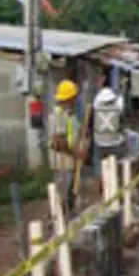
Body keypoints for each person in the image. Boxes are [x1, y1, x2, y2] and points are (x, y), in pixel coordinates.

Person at [49, 79, 86, 214]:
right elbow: (58, 143)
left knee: (71, 192)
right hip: (63, 161)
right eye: (74, 97)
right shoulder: (58, 115)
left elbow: (75, 133)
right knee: (62, 195)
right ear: (69, 98)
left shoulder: (70, 115)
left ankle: (69, 214)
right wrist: (76, 154)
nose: (75, 100)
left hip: (71, 160)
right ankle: (59, 219)